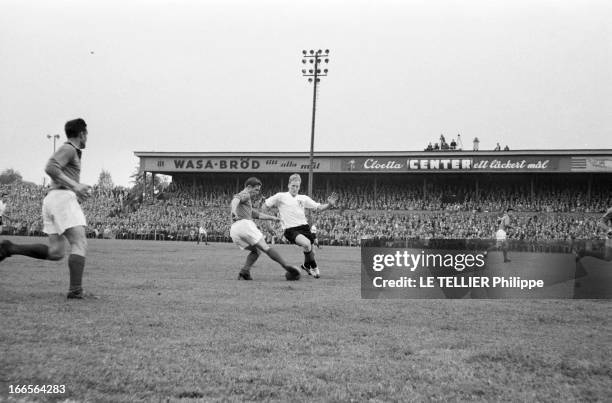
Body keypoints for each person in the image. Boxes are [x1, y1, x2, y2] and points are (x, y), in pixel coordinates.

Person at [0, 118, 94, 299]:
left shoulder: (72, 151)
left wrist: (75, 186)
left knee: (56, 252)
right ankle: (75, 290)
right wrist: (74, 186)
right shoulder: (69, 148)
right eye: (86, 134)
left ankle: (10, 248)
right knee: (79, 243)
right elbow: (50, 167)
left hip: (52, 199)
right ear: (81, 133)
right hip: (62, 198)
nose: (87, 138)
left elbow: (58, 172)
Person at [263, 174, 337, 278]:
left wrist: (329, 205)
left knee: (312, 253)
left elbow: (319, 207)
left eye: (297, 186)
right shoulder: (280, 196)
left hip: (304, 227)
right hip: (290, 229)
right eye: (293, 186)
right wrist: (268, 225)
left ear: (299, 187)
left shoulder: (303, 198)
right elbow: (265, 206)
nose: (295, 188)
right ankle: (314, 267)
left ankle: (305, 265)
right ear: (288, 185)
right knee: (307, 244)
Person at [230, 177, 300, 281]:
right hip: (244, 225)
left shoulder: (246, 203)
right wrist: (233, 211)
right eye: (256, 190)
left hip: (234, 231)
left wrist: (273, 218)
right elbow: (236, 199)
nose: (257, 192)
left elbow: (256, 214)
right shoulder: (246, 194)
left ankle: (245, 271)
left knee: (256, 251)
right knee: (265, 247)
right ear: (249, 187)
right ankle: (286, 267)